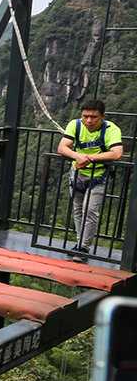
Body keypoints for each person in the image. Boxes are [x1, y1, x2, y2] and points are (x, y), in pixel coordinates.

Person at [57, 99, 124, 261]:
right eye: (86, 116)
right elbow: (62, 147)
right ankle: (80, 244)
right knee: (78, 209)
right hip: (77, 173)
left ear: (103, 116)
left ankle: (84, 248)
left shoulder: (111, 130)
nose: (89, 121)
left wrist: (88, 158)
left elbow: (117, 153)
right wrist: (77, 156)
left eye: (93, 117)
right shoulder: (76, 125)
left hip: (98, 176)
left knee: (90, 210)